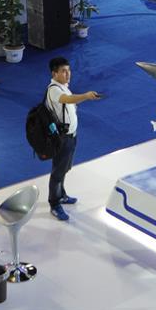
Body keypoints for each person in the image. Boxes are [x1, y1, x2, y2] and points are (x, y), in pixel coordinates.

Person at [45, 56, 102, 221]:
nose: (68, 74)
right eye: (63, 71)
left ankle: (61, 195)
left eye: (68, 70)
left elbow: (70, 102)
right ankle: (54, 204)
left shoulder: (63, 87)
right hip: (62, 139)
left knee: (64, 168)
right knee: (58, 172)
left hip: (70, 136)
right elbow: (68, 100)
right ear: (54, 73)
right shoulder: (54, 90)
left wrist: (83, 97)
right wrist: (86, 96)